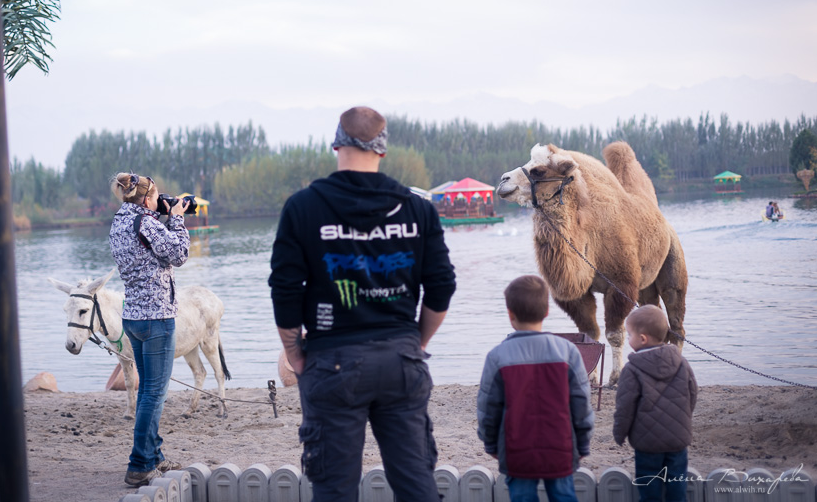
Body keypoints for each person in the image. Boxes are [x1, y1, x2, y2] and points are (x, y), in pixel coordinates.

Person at [269, 106, 457, 502]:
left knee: (335, 490)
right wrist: (415, 342)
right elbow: (441, 287)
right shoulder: (417, 209)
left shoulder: (303, 208)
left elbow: (286, 290)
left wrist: (294, 353)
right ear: (382, 151)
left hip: (331, 358)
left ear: (336, 143)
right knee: (417, 485)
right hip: (401, 359)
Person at [477, 275, 594, 502]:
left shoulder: (497, 356)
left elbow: (487, 408)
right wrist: (583, 443)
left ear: (510, 315)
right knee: (564, 496)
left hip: (516, 449)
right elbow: (582, 404)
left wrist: (490, 443)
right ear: (547, 311)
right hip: (560, 447)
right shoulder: (568, 352)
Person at [109, 172, 190, 487]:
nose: (160, 202)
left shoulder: (120, 222)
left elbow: (151, 252)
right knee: (155, 392)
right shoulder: (146, 224)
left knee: (147, 391)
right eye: (155, 198)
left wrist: (164, 218)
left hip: (133, 317)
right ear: (145, 199)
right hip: (156, 318)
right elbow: (179, 255)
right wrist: (178, 219)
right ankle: (140, 464)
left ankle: (154, 455)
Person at [613, 305, 699, 502]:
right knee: (677, 484)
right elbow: (693, 393)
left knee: (649, 485)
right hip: (678, 438)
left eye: (629, 335)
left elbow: (624, 407)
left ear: (642, 338)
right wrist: (683, 418)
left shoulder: (632, 369)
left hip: (647, 443)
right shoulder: (681, 362)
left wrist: (619, 433)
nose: (627, 339)